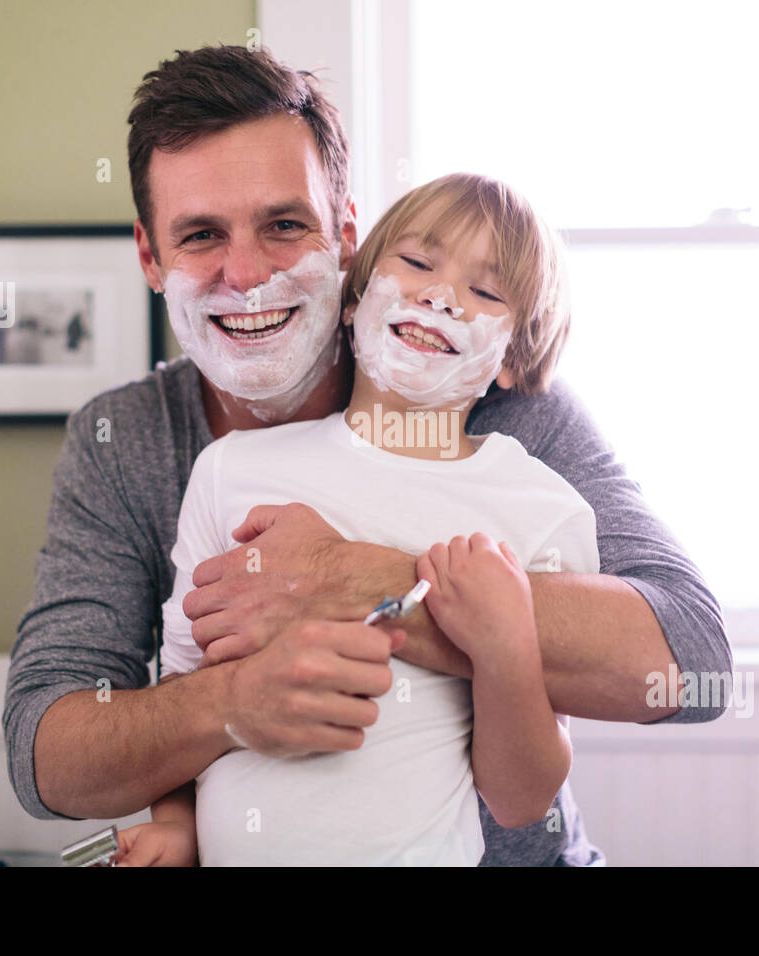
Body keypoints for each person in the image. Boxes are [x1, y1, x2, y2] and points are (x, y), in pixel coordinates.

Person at [3, 44, 732, 866]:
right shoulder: (130, 444)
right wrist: (228, 707)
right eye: (202, 235)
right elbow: (45, 748)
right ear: (150, 257)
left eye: (284, 224)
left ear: (346, 233)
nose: (245, 276)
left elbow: (691, 659)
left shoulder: (502, 407)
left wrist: (363, 581)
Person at [117, 172, 592, 866]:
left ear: (515, 358)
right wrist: (176, 826)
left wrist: (505, 648)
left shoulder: (541, 512)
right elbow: (185, 682)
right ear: (353, 296)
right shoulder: (229, 470)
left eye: (486, 291)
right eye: (418, 263)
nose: (440, 294)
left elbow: (520, 801)